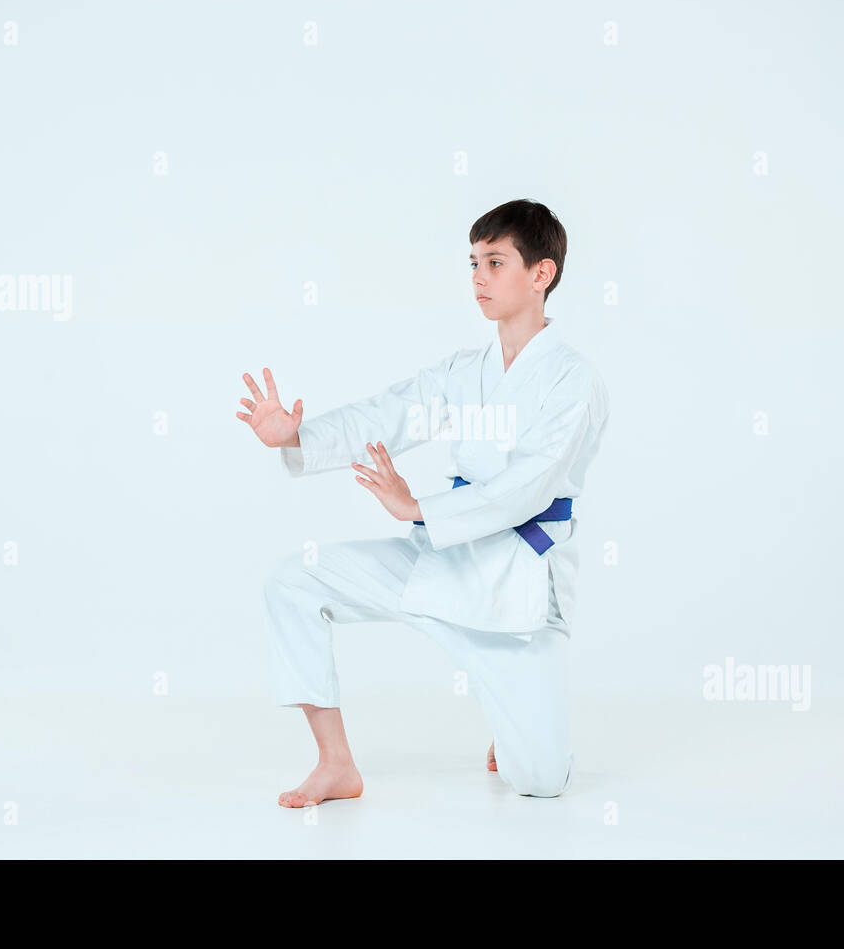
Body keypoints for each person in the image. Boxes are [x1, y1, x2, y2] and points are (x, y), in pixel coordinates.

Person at [236, 199, 610, 806]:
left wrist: (419, 508)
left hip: (515, 590)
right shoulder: (465, 371)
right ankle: (335, 764)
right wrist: (296, 436)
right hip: (440, 562)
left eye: (495, 261)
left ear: (541, 274)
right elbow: (387, 413)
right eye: (473, 263)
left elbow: (531, 485)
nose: (478, 278)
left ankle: (513, 716)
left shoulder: (574, 380)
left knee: (538, 781)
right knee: (293, 582)